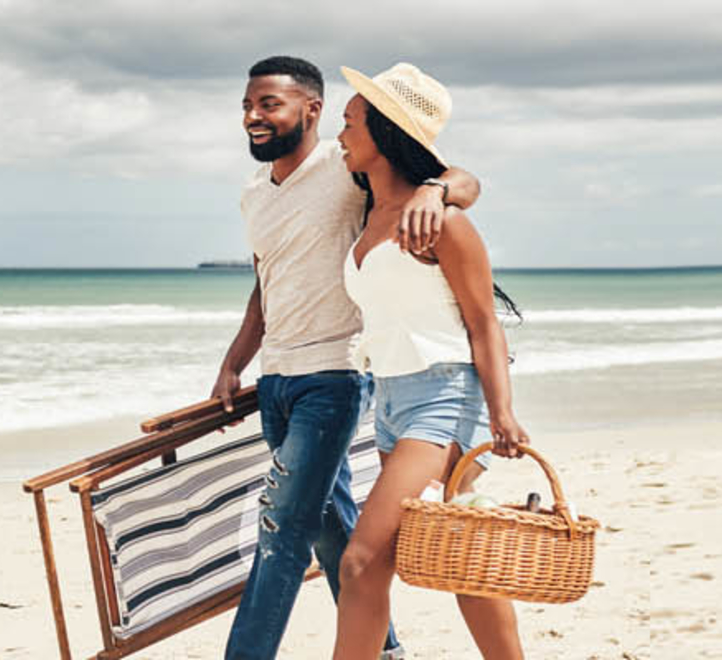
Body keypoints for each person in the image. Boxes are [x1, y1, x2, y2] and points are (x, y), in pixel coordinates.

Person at [215, 56, 481, 660]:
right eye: (247, 106)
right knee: (333, 529)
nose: (254, 117)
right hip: (277, 379)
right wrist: (235, 363)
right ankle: (385, 652)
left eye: (268, 105)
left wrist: (438, 192)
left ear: (310, 109)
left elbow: (460, 180)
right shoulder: (253, 195)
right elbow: (267, 283)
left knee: (281, 533)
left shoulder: (348, 164)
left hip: (334, 375)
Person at [332, 63, 528, 660]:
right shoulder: (369, 213)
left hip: (444, 395)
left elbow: (482, 321)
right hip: (390, 398)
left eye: (349, 122)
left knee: (362, 562)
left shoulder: (443, 221)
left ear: (384, 132)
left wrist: (503, 413)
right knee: (465, 547)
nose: (339, 136)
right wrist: (438, 184)